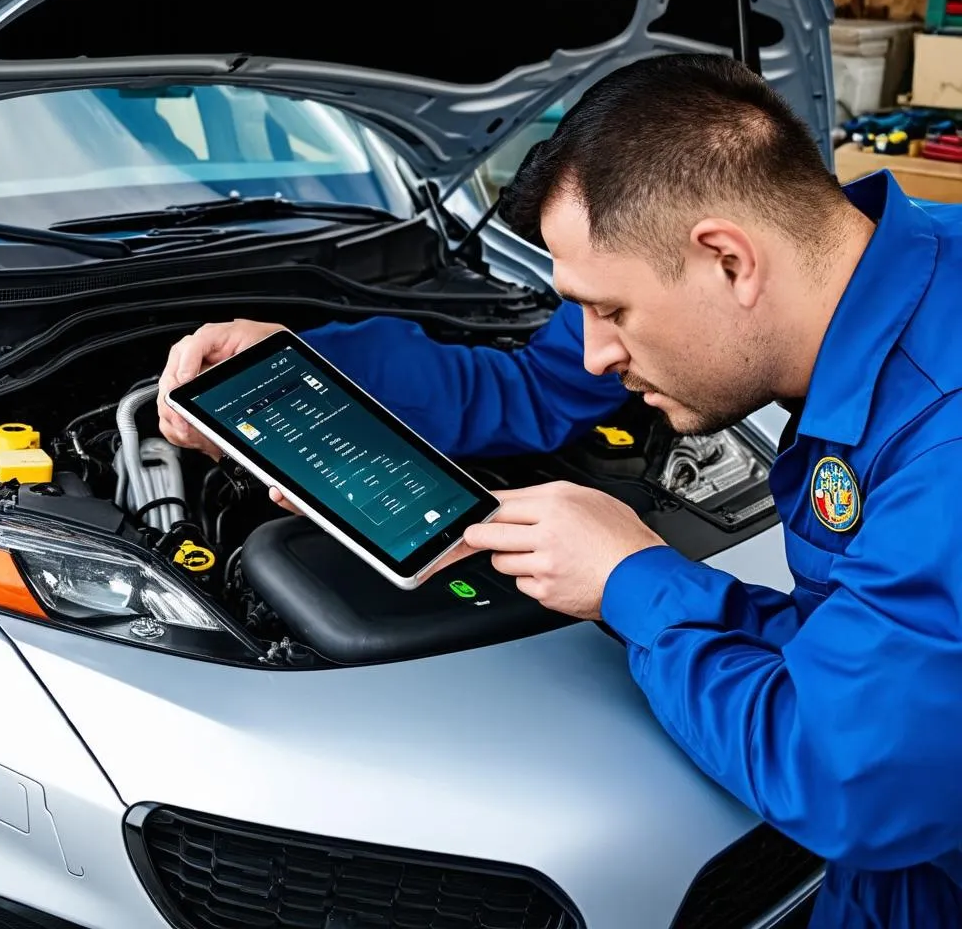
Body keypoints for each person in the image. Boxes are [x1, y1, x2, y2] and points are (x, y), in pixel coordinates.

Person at [159, 53, 962, 929]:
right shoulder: (896, 258)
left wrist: (631, 577)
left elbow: (844, 777)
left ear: (729, 260)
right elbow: (535, 390)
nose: (595, 353)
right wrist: (306, 370)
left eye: (609, 311)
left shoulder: (944, 446)